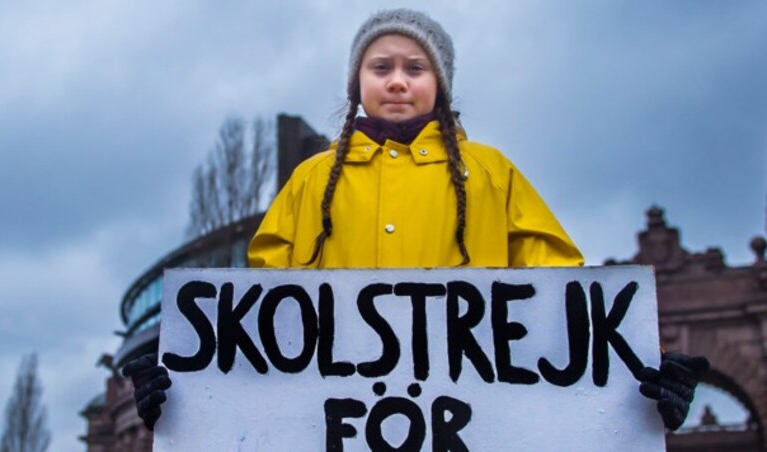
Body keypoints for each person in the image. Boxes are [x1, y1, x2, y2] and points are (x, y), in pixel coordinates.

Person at [124, 8, 708, 434]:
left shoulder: (494, 173)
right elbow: (257, 316)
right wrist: (193, 386)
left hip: (475, 432)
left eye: (415, 67)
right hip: (333, 433)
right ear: (358, 83)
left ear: (440, 83)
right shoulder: (307, 182)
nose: (398, 80)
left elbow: (562, 300)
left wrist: (637, 375)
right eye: (381, 66)